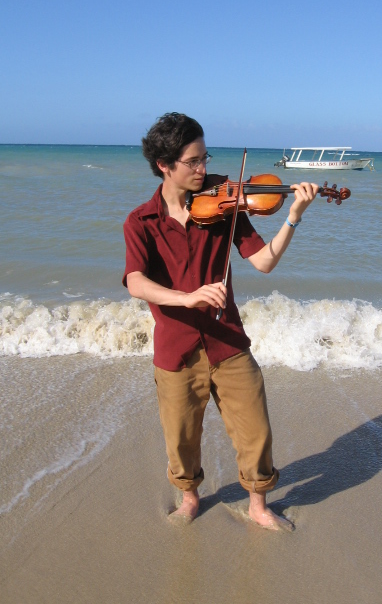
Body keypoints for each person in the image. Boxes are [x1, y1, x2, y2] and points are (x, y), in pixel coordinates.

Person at [123, 113, 319, 530]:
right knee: (180, 436)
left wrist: (294, 215)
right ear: (165, 164)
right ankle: (190, 497)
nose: (204, 169)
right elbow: (136, 282)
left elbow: (264, 262)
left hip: (228, 342)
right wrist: (187, 297)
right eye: (193, 161)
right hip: (176, 349)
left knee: (256, 430)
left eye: (204, 158)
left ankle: (258, 505)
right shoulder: (141, 222)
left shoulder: (226, 207)